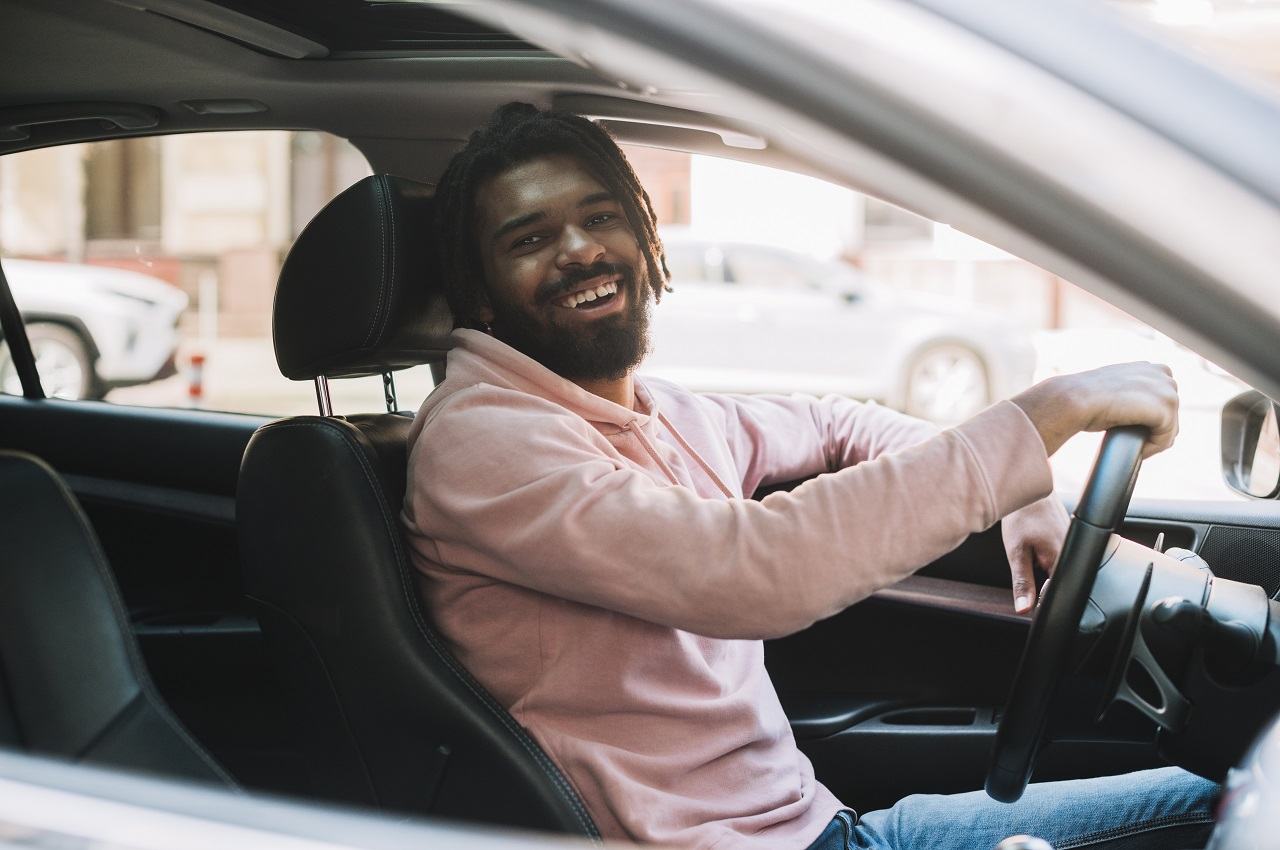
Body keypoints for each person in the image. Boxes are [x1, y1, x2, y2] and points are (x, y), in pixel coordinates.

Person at [401, 103, 1216, 850]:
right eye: (530, 238)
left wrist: (1026, 488)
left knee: (1225, 794)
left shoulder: (656, 410)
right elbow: (749, 571)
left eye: (599, 216)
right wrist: (1047, 414)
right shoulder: (485, 442)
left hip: (815, 824)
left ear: (647, 239)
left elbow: (837, 425)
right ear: (482, 294)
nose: (579, 248)